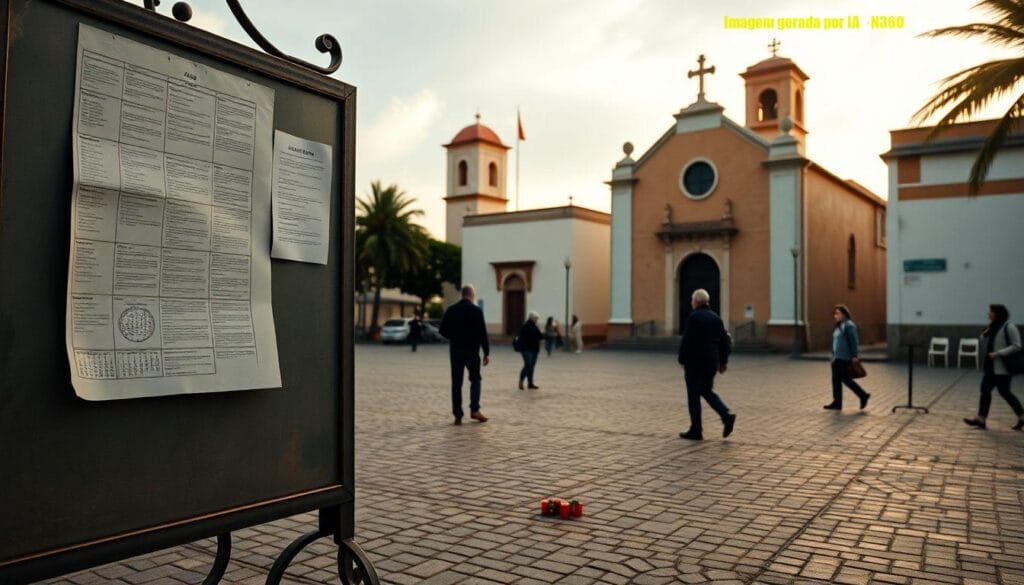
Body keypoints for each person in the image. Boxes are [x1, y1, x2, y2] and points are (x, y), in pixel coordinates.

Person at [677, 289, 736, 440]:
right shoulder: (716, 317)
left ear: (696, 302)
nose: (691, 303)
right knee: (706, 390)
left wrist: (681, 359)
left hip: (695, 361)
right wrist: (723, 361)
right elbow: (724, 341)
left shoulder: (694, 317)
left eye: (692, 300)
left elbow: (687, 340)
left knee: (693, 395)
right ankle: (726, 415)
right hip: (712, 361)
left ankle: (696, 429)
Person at [963, 304, 1024, 430]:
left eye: (990, 312)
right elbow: (985, 341)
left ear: (997, 313)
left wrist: (998, 353)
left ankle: (1022, 416)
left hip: (1003, 367)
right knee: (985, 389)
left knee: (1005, 392)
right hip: (991, 366)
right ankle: (981, 419)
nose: (988, 314)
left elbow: (1017, 345)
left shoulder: (1009, 326)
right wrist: (985, 333)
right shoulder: (992, 326)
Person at [439, 285, 490, 425]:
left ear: (462, 294)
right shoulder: (476, 310)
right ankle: (475, 410)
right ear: (471, 294)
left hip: (456, 351)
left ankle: (458, 415)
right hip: (472, 351)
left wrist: (454, 336)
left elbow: (442, 330)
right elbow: (482, 333)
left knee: (456, 383)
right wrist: (486, 352)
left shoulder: (451, 309)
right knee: (475, 379)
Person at [823, 304, 871, 411]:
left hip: (844, 357)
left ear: (844, 314)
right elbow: (836, 342)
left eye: (837, 313)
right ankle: (837, 402)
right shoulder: (838, 326)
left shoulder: (849, 325)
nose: (835, 316)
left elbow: (854, 341)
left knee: (845, 379)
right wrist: (832, 355)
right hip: (836, 357)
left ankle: (863, 395)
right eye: (835, 314)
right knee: (836, 380)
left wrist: (854, 355)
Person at [517, 311, 544, 389]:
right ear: (531, 318)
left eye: (537, 318)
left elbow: (540, 336)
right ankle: (521, 381)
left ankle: (530, 383)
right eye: (535, 318)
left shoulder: (535, 326)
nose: (536, 320)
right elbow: (532, 336)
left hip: (534, 349)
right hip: (526, 349)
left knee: (531, 366)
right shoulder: (526, 326)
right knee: (528, 365)